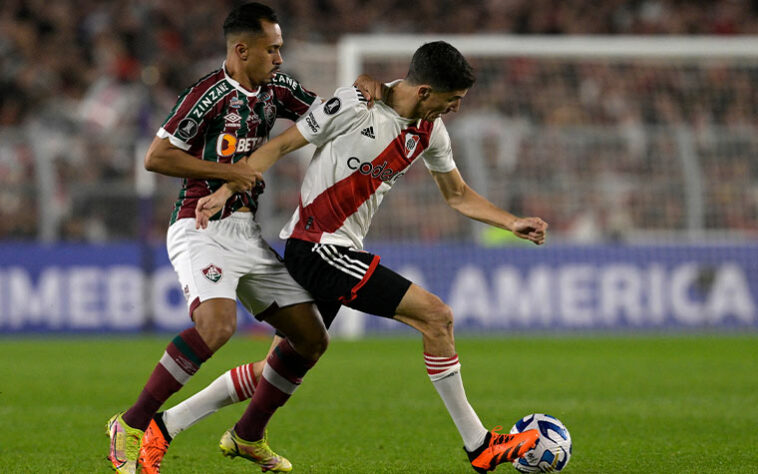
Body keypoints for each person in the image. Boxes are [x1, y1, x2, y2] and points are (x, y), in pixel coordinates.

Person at [196, 41, 548, 473]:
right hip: (319, 246)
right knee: (436, 317)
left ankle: (174, 426)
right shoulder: (355, 104)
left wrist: (510, 222)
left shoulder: (430, 131)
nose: (454, 109)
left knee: (278, 365)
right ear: (424, 92)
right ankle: (479, 446)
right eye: (451, 100)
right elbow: (281, 146)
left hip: (336, 249)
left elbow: (456, 195)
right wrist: (226, 188)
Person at [105, 3, 383, 474]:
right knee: (217, 327)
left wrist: (366, 92)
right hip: (200, 228)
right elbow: (156, 157)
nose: (279, 57)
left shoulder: (277, 88)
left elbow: (322, 116)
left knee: (311, 339)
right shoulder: (207, 94)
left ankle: (249, 435)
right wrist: (225, 172)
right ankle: (130, 425)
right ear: (241, 50)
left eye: (280, 48)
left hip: (246, 234)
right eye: (271, 49)